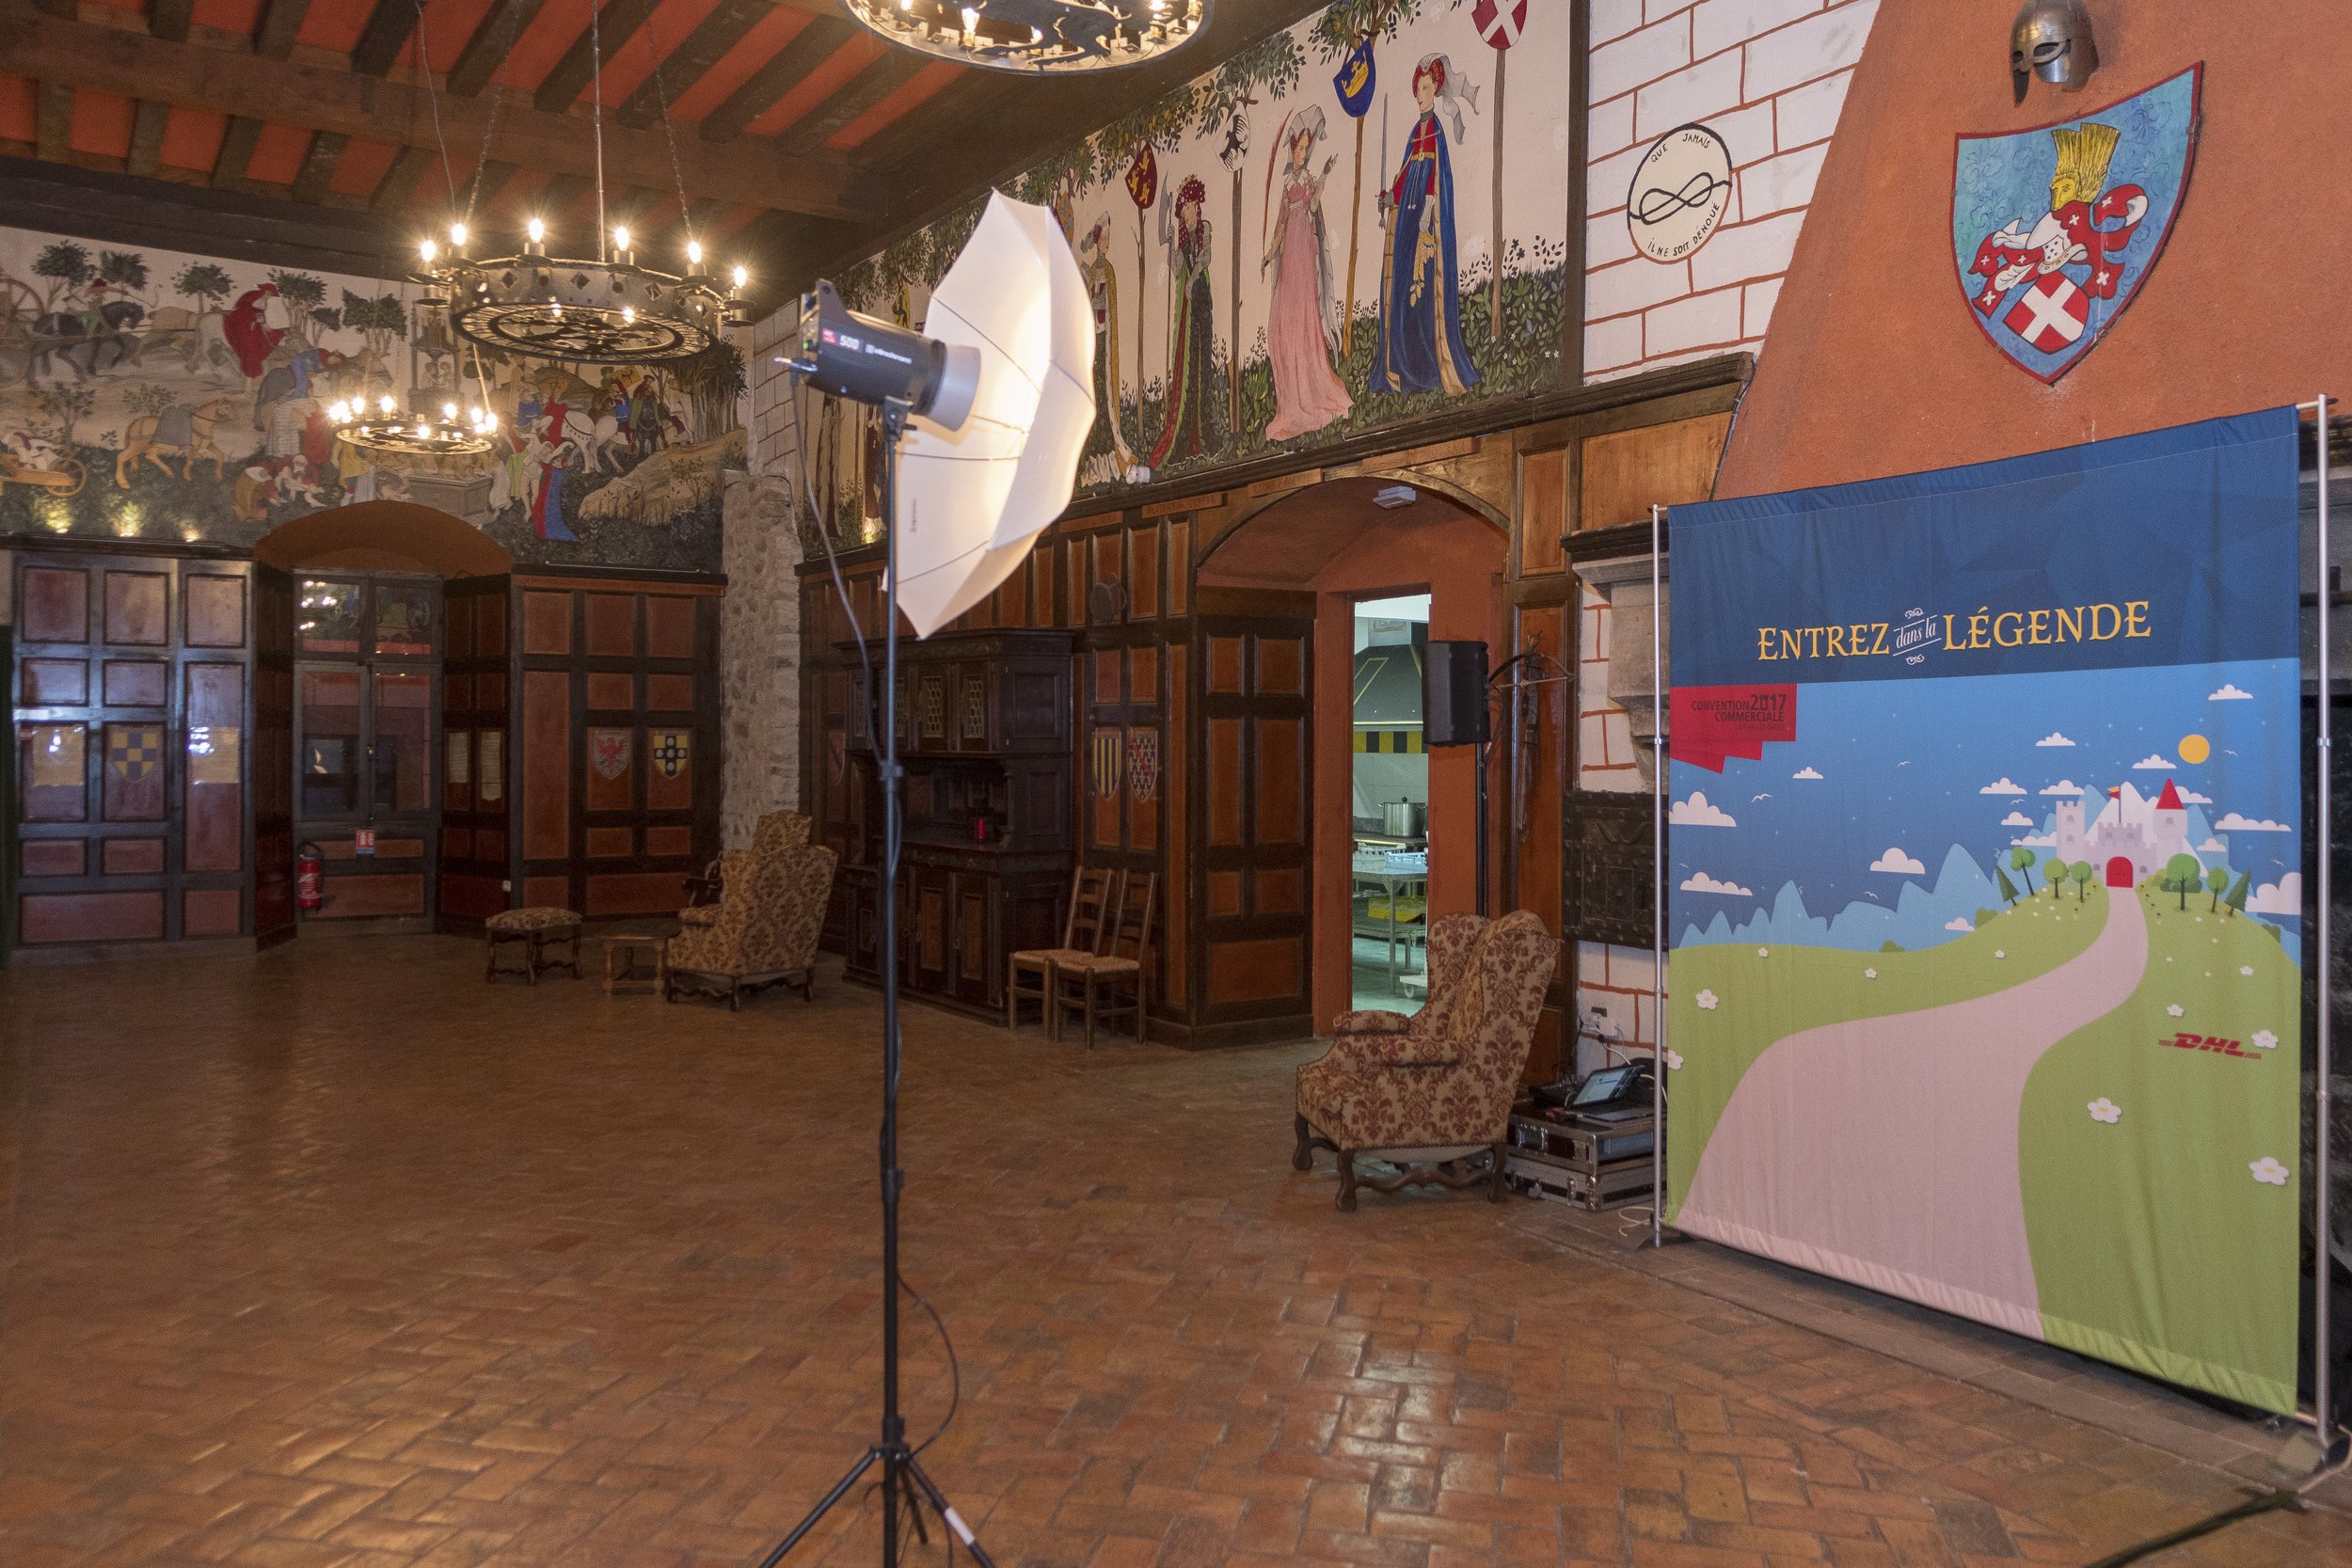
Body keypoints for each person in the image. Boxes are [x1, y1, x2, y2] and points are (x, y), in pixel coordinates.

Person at [1372, 55, 1482, 398]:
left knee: (1421, 291)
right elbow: (1406, 174)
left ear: (1434, 88)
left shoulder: (1435, 129)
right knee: (1403, 286)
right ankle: (1402, 367)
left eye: (1424, 88)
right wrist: (1391, 197)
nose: (1419, 94)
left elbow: (1436, 177)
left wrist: (1430, 206)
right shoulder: (1414, 132)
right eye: (1417, 89)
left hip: (1425, 220)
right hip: (1407, 216)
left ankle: (1428, 368)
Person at [1262, 106, 1354, 441]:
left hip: (1304, 250)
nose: (1301, 153)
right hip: (1289, 256)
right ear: (1291, 149)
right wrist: (1269, 255)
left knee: (1303, 320)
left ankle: (1311, 392)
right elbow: (1280, 225)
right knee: (1280, 328)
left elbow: (1313, 207)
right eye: (1297, 148)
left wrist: (1326, 174)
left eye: (1305, 148)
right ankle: (1290, 400)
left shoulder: (1308, 180)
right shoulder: (1288, 184)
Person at [1148, 175, 1216, 468]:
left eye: (1196, 203)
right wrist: (1169, 243)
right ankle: (1185, 438)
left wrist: (1194, 278)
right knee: (1187, 368)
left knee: (1202, 365)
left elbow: (1205, 259)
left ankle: (1206, 435)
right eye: (1190, 204)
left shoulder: (1204, 231)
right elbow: (1176, 270)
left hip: (1200, 299)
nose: (1195, 208)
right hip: (1187, 308)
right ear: (1183, 209)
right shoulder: (1182, 239)